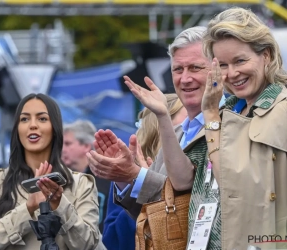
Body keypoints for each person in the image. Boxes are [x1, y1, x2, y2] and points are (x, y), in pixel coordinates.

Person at [87, 26, 225, 250]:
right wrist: (125, 179)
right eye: (178, 69)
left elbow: (198, 199)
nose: (185, 78)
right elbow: (157, 213)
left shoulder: (231, 122)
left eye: (195, 67)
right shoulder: (178, 132)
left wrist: (136, 176)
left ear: (217, 69)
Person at [199, 7, 287, 249]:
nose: (232, 73)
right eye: (223, 65)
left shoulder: (282, 109)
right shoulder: (229, 110)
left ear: (266, 55)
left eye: (240, 60)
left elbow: (232, 183)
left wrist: (210, 116)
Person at [0, 93, 100, 250]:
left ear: (55, 128)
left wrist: (60, 204)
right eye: (24, 119)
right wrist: (28, 208)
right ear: (17, 129)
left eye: (42, 119)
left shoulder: (81, 184)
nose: (33, 125)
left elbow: (88, 244)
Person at [102, 93, 187, 250]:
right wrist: (139, 186)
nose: (192, 129)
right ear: (159, 127)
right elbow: (113, 242)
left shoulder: (191, 165)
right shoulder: (126, 172)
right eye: (185, 124)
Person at [62, 120, 110, 233]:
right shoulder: (63, 180)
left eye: (67, 144)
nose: (62, 149)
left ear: (86, 146)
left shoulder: (106, 179)